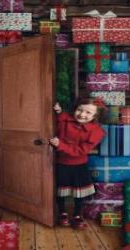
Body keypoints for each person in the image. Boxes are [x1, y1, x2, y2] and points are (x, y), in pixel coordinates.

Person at [49, 97, 106, 230]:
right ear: (75, 109)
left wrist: (60, 145)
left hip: (79, 164)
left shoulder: (96, 132)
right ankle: (62, 212)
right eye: (80, 110)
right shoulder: (66, 120)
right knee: (60, 189)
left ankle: (77, 214)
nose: (82, 114)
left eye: (88, 113)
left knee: (79, 191)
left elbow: (80, 150)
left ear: (95, 116)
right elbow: (60, 119)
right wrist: (58, 111)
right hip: (61, 162)